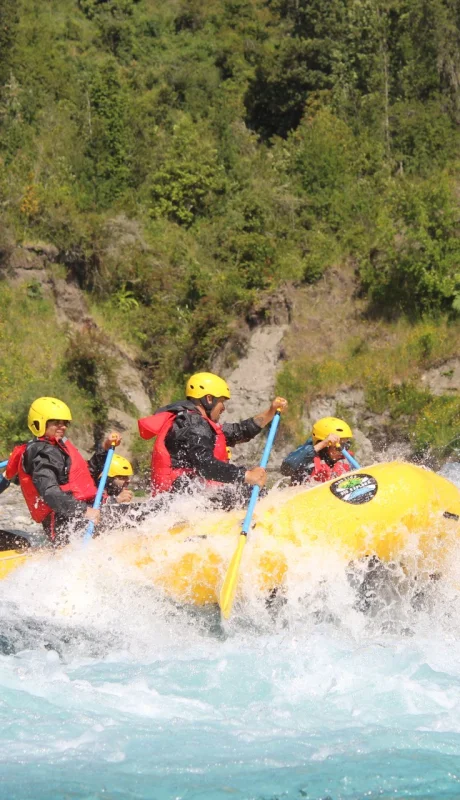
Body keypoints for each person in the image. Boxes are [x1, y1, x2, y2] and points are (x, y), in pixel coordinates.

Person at [138, 372, 287, 505]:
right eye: (222, 401)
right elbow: (206, 466)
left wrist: (271, 412)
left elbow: (238, 431)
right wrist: (247, 475)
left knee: (242, 491)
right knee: (255, 494)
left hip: (181, 498)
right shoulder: (194, 424)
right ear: (209, 399)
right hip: (181, 500)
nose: (223, 408)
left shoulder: (190, 421)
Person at [4, 396, 126, 545]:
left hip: (79, 513)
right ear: (39, 423)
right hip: (63, 523)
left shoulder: (59, 447)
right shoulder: (41, 454)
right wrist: (84, 511)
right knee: (133, 518)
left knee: (139, 513)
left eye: (64, 423)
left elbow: (85, 475)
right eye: (56, 422)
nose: (63, 427)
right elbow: (50, 493)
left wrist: (105, 448)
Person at [281, 416, 353, 484]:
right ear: (325, 447)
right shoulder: (307, 460)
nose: (343, 450)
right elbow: (285, 469)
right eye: (338, 447)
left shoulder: (346, 460)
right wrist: (323, 444)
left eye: (346, 445)